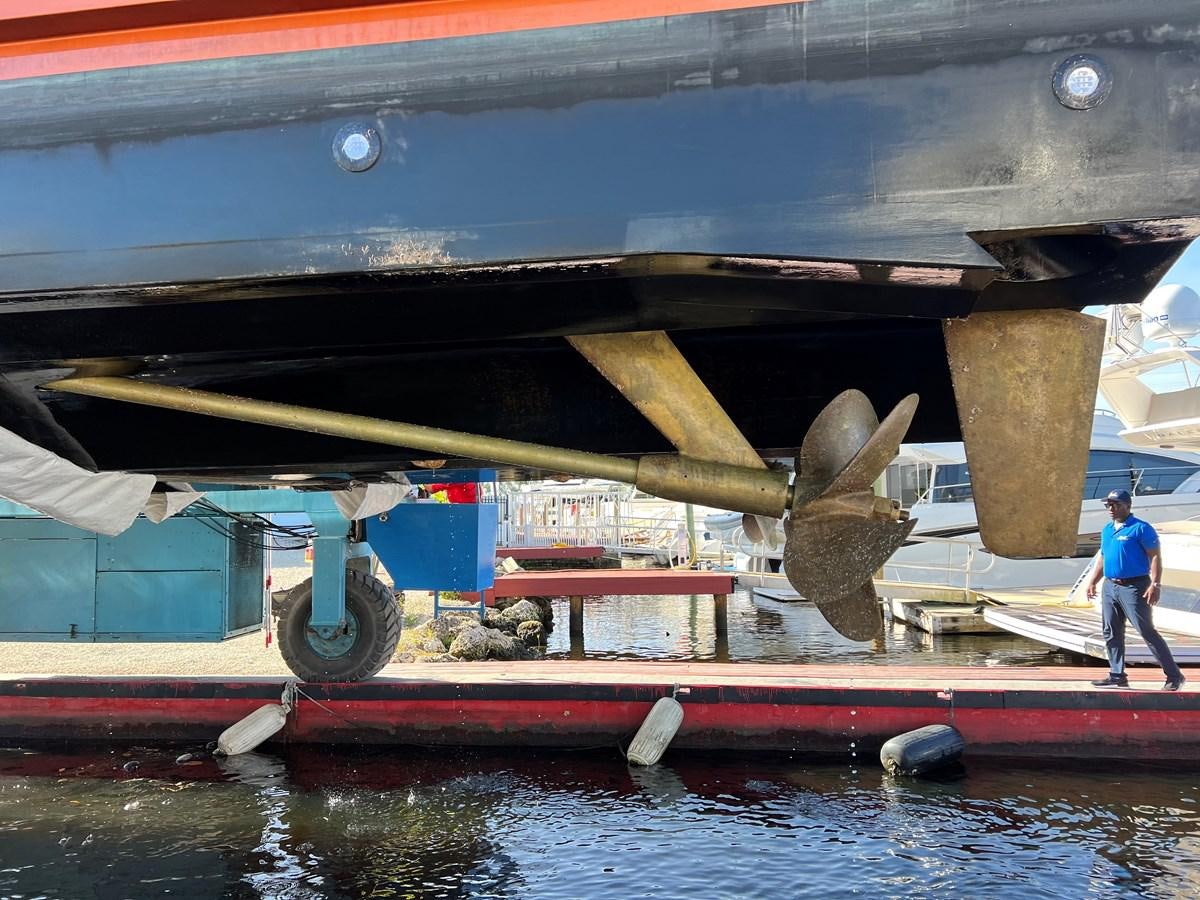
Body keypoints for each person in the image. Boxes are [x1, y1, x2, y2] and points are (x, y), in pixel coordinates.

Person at [1083, 489, 1186, 691]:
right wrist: (1093, 581)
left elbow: (1155, 556)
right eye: (1108, 505)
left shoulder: (1140, 528)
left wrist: (1155, 583)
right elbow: (1103, 558)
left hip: (1134, 586)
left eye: (1116, 504)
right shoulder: (1107, 529)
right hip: (1110, 586)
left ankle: (1174, 676)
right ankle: (1117, 675)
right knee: (1111, 631)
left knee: (1146, 630)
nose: (1111, 509)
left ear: (1127, 506)